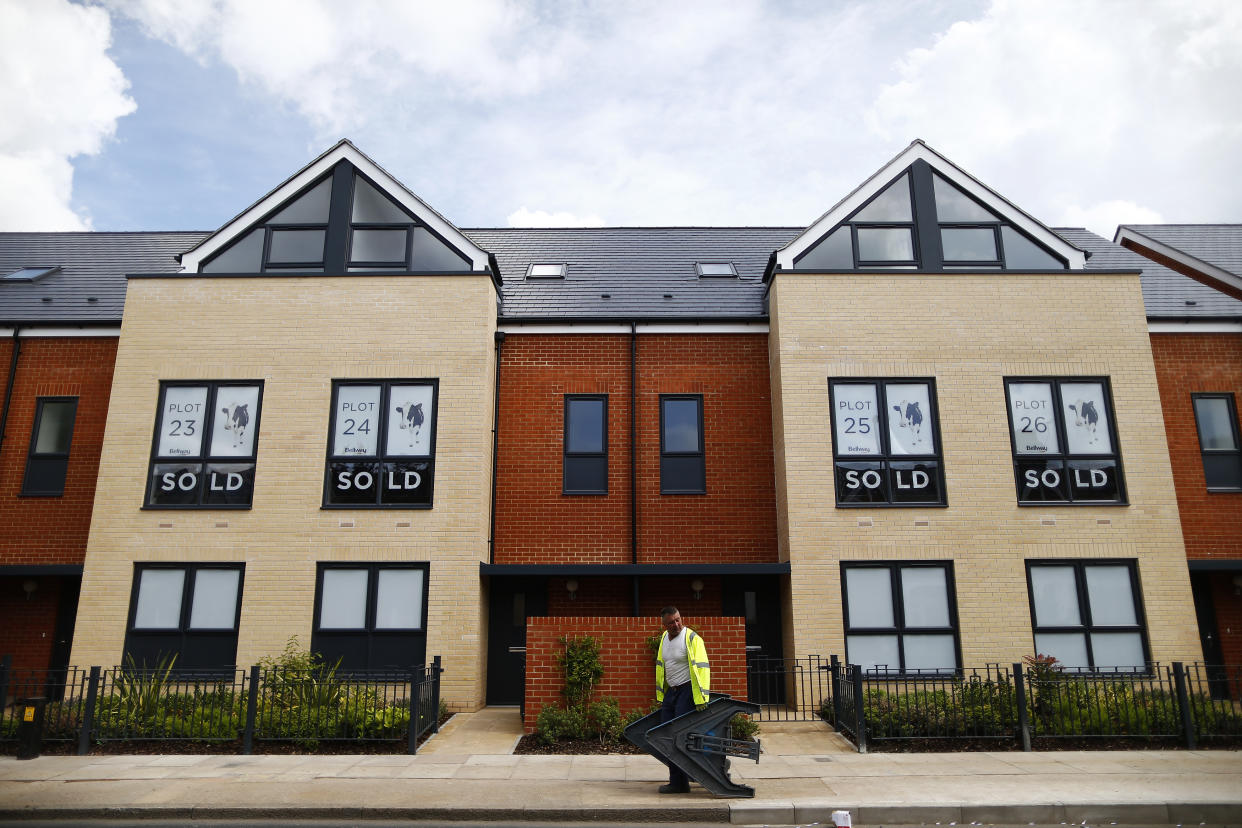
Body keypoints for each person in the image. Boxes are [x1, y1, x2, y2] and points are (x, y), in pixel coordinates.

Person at [654, 605, 710, 794]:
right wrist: (662, 695)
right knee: (666, 736)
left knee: (680, 737)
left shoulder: (692, 638)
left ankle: (687, 779)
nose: (676, 624)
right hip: (672, 692)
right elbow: (663, 667)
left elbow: (703, 668)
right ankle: (678, 781)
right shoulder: (664, 639)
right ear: (664, 625)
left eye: (678, 619)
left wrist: (702, 697)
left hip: (687, 691)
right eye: (671, 622)